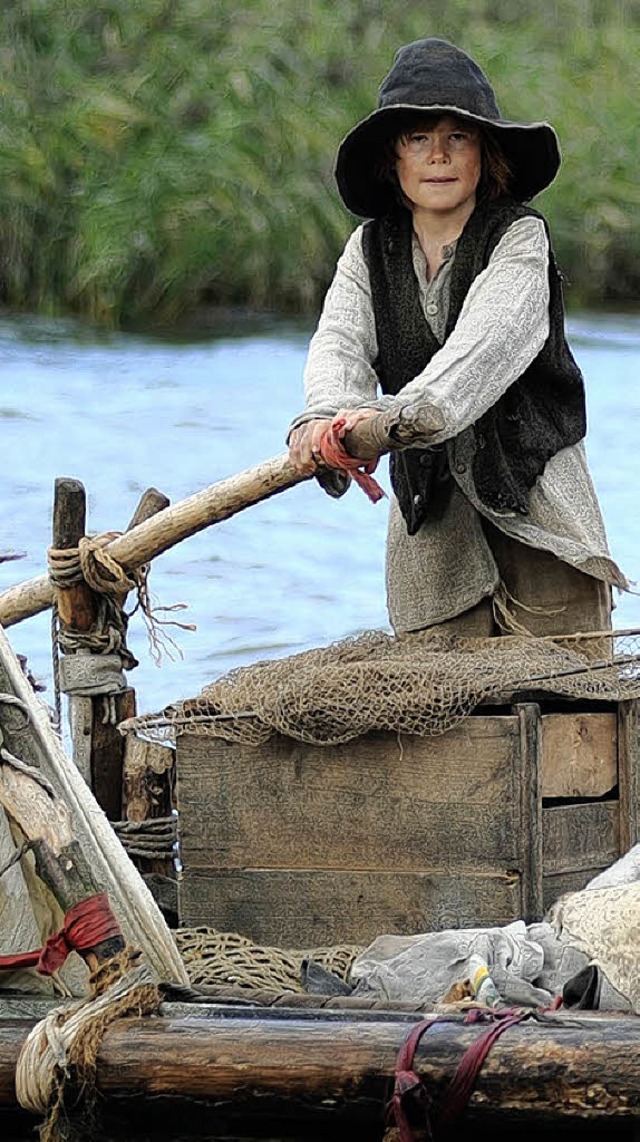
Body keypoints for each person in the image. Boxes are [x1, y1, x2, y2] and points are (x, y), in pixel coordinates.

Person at [287, 37, 628, 644]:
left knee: (567, 696)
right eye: (419, 139)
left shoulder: (519, 237)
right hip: (431, 524)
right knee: (439, 704)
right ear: (395, 158)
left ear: (483, 153)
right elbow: (340, 343)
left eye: (457, 138)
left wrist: (394, 416)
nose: (438, 156)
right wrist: (324, 420)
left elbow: (481, 353)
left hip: (536, 504)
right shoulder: (368, 252)